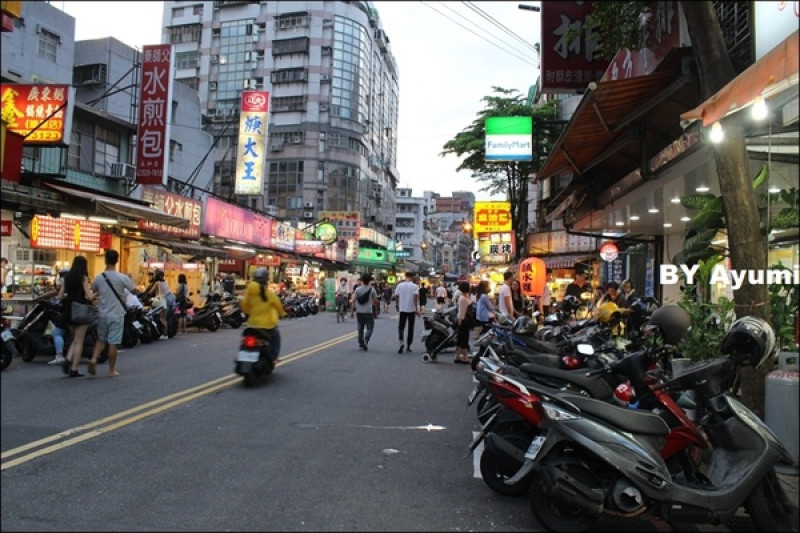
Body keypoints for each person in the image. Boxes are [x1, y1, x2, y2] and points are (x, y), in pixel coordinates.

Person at [89, 249, 135, 378]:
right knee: (112, 343)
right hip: (116, 314)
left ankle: (93, 358)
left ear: (105, 260)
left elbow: (93, 290)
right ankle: (111, 370)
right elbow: (134, 290)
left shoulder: (99, 277)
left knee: (100, 340)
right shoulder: (122, 277)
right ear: (117, 260)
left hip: (102, 313)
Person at [56, 256, 95, 377]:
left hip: (68, 311)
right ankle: (74, 368)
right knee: (79, 341)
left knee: (75, 339)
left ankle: (68, 359)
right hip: (80, 311)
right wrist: (96, 294)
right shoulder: (83, 278)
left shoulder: (67, 278)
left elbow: (60, 296)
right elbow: (89, 296)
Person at [240, 267, 286, 363]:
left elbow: (244, 306)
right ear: (266, 280)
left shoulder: (249, 292)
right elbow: (278, 306)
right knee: (276, 337)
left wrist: (250, 313)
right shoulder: (269, 294)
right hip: (267, 325)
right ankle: (274, 357)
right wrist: (282, 314)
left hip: (252, 324)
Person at [38, 267, 69, 366]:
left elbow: (58, 296)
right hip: (77, 313)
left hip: (67, 312)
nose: (62, 277)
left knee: (57, 332)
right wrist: (41, 297)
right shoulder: (80, 281)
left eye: (63, 275)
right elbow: (55, 292)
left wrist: (57, 299)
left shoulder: (66, 284)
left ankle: (59, 355)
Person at [393, 271, 420, 353]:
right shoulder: (415, 286)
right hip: (411, 309)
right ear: (412, 277)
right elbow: (415, 298)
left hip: (402, 308)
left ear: (405, 276)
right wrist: (416, 309)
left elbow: (397, 296)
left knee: (401, 327)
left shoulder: (400, 285)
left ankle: (401, 341)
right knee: (410, 327)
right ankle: (408, 345)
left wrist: (397, 305)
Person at [144, 269, 174, 339]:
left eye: (154, 274)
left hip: (161, 301)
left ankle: (163, 333)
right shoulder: (165, 282)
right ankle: (165, 335)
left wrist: (144, 296)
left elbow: (150, 292)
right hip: (166, 300)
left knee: (160, 317)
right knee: (164, 319)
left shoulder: (157, 282)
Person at [352, 273, 378, 351]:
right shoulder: (372, 289)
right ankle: (366, 340)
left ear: (362, 281)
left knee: (360, 328)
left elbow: (353, 300)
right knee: (370, 328)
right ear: (369, 281)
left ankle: (360, 344)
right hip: (368, 311)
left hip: (359, 311)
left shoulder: (357, 289)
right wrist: (376, 309)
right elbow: (375, 301)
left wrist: (352, 311)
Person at [453, 280, 472, 364]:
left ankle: (457, 356)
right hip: (463, 322)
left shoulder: (463, 297)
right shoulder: (463, 299)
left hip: (461, 321)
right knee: (464, 340)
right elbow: (461, 312)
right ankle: (465, 357)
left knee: (460, 340)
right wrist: (460, 323)